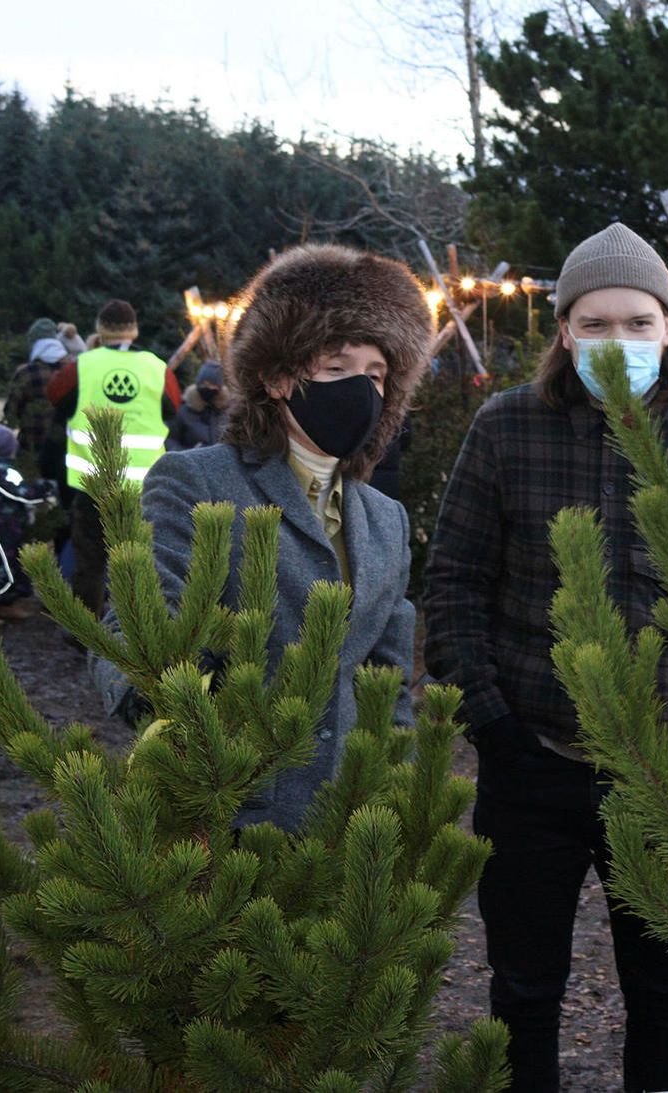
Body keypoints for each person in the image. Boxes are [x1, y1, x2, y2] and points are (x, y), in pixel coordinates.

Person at [424, 223, 668, 1093]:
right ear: (565, 331)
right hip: (532, 760)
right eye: (598, 323)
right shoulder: (506, 429)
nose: (620, 341)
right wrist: (492, 723)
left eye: (639, 323)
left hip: (663, 769)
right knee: (524, 984)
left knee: (662, 983)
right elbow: (456, 579)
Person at [92, 243, 431, 832]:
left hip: (343, 827)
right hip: (225, 820)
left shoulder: (384, 519)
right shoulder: (197, 481)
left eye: (376, 375)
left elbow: (388, 680)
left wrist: (391, 790)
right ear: (276, 377)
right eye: (336, 369)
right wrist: (174, 733)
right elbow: (133, 629)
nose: (361, 391)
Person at [46, 300, 181, 616]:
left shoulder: (83, 365)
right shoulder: (156, 367)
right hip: (143, 485)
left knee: (90, 560)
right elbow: (173, 407)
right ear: (134, 330)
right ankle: (137, 628)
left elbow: (54, 395)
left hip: (94, 480)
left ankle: (87, 633)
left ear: (99, 330)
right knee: (138, 559)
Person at [0, 424, 56, 619]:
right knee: (3, 571)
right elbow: (22, 493)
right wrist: (47, 487)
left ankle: (3, 604)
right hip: (0, 529)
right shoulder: (0, 470)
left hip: (4, 528)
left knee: (11, 565)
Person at [3, 317, 72, 478]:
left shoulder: (26, 373)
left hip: (30, 450)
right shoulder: (73, 371)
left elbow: (10, 413)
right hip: (65, 450)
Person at [166, 358, 228, 450]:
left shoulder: (228, 412)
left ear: (219, 387)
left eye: (212, 385)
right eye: (204, 384)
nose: (208, 388)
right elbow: (169, 440)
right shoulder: (184, 411)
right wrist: (185, 455)